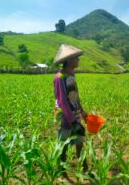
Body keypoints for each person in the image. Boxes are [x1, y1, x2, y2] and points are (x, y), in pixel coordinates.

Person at [53, 44, 88, 180]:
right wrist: (73, 122)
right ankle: (61, 173)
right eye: (76, 58)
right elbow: (62, 102)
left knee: (79, 143)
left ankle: (85, 169)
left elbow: (74, 96)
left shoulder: (71, 75)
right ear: (69, 60)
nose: (78, 60)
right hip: (65, 118)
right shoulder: (59, 77)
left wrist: (82, 112)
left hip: (75, 115)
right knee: (63, 147)